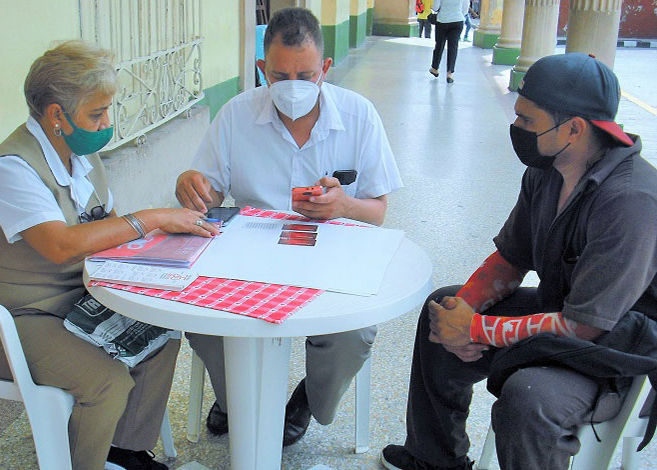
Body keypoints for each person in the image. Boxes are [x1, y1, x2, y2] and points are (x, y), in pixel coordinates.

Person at [381, 52, 657, 470]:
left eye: (527, 121)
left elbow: (587, 325)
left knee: (530, 398)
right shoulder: (549, 168)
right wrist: (464, 311)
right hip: (562, 313)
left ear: (574, 128)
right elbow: (512, 258)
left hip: (612, 347)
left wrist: (478, 330)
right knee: (441, 307)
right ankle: (435, 458)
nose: (516, 129)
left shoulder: (629, 200)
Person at [0, 41, 219, 470]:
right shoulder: (11, 169)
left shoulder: (81, 156)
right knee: (104, 382)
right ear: (57, 115)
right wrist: (150, 218)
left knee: (160, 336)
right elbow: (60, 246)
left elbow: (106, 227)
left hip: (74, 301)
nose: (106, 123)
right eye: (97, 113)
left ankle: (123, 452)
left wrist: (169, 253)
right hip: (5, 318)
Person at [174, 7, 403, 447]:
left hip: (330, 253)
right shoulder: (236, 115)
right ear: (262, 70)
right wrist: (193, 187)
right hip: (249, 252)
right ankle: (234, 396)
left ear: (326, 69)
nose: (294, 87)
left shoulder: (358, 116)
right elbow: (208, 196)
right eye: (281, 76)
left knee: (353, 331)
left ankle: (309, 401)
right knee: (200, 316)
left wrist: (343, 205)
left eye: (307, 74)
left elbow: (377, 211)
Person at [429, 0, 471, 83]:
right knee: (453, 47)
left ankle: (435, 68)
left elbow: (435, 7)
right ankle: (449, 74)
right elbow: (465, 9)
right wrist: (456, 13)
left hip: (442, 21)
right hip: (457, 20)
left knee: (439, 45)